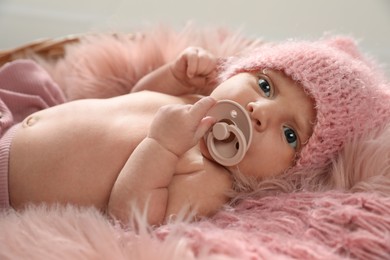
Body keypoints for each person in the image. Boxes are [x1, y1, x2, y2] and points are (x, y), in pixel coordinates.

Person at [1, 35, 390, 226]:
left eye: (290, 134)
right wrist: (171, 76)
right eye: (266, 86)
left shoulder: (208, 178)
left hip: (13, 178)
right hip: (21, 116)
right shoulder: (189, 105)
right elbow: (134, 100)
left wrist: (161, 145)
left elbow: (132, 215)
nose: (259, 112)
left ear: (292, 171)